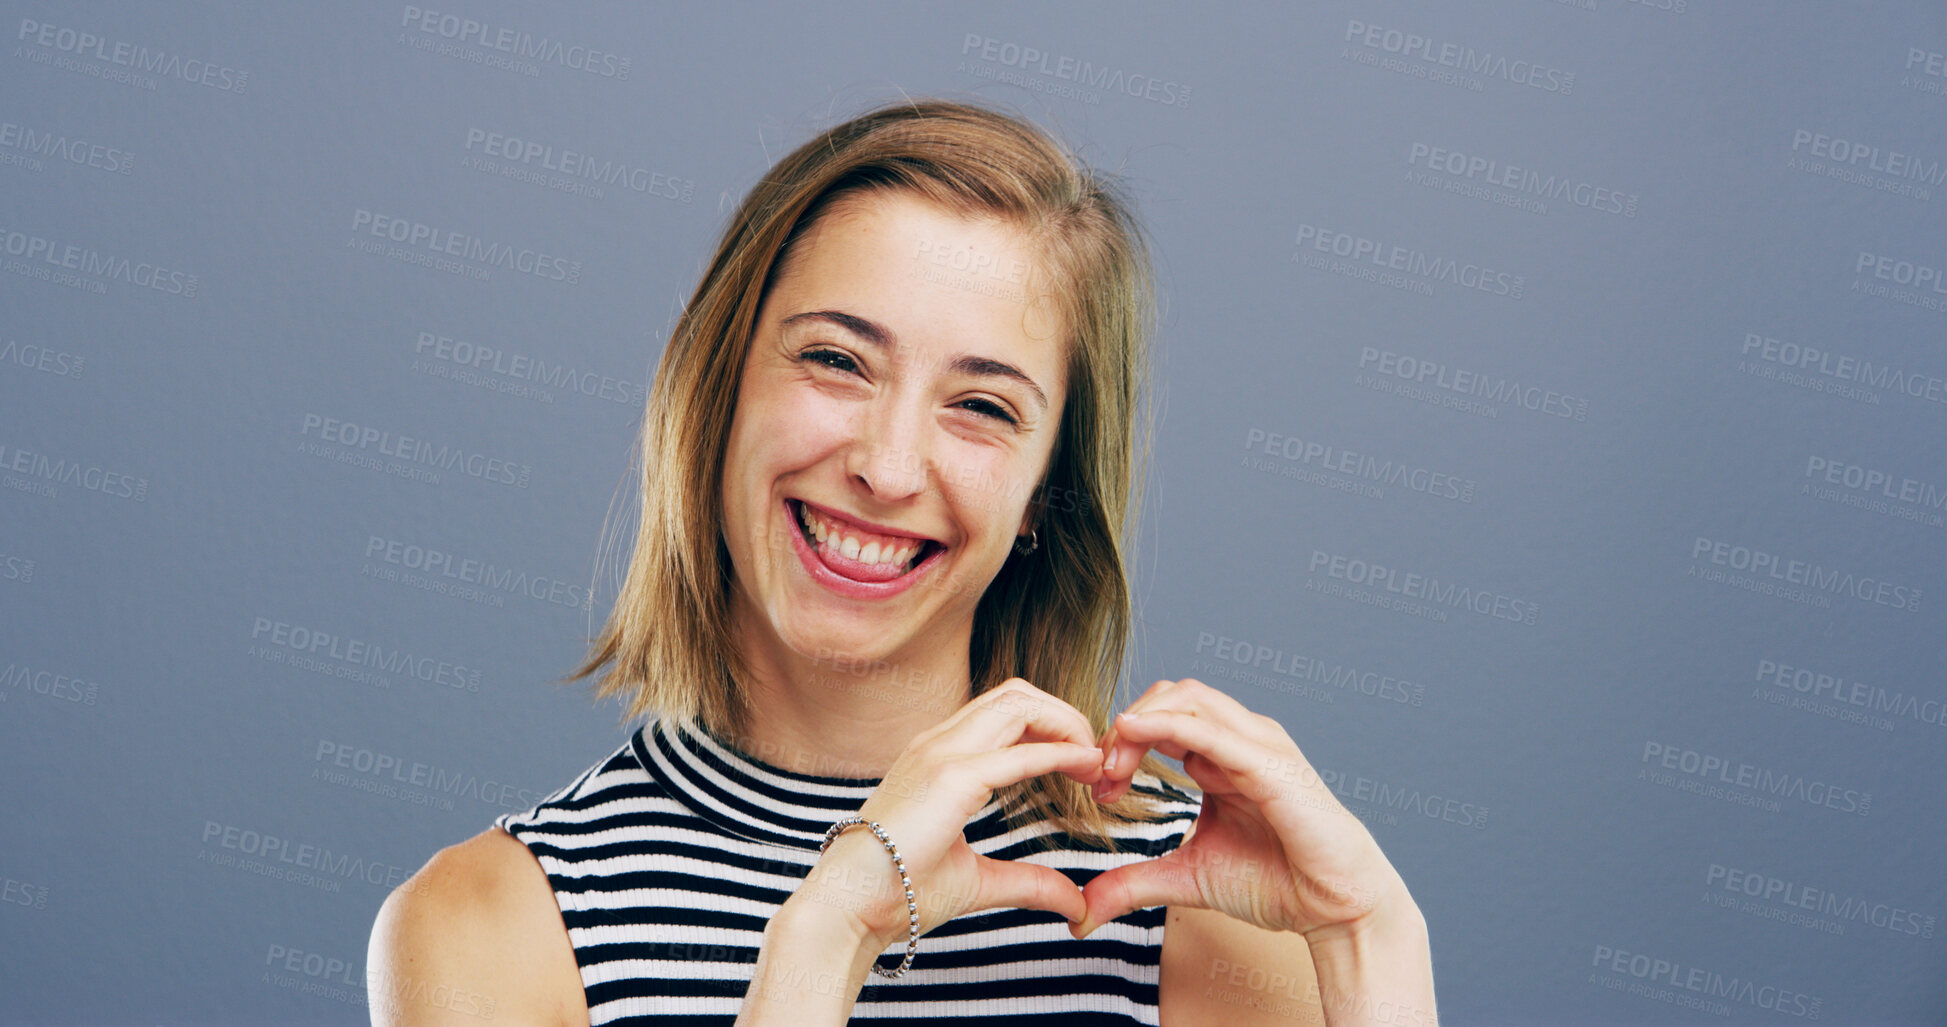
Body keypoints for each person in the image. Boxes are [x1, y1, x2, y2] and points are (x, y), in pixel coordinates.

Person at [368, 97, 1436, 1026]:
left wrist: (1372, 941)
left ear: (1041, 499)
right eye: (835, 359)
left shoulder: (1201, 913)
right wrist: (826, 935)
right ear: (718, 396)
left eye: (981, 406)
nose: (884, 467)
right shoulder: (487, 926)